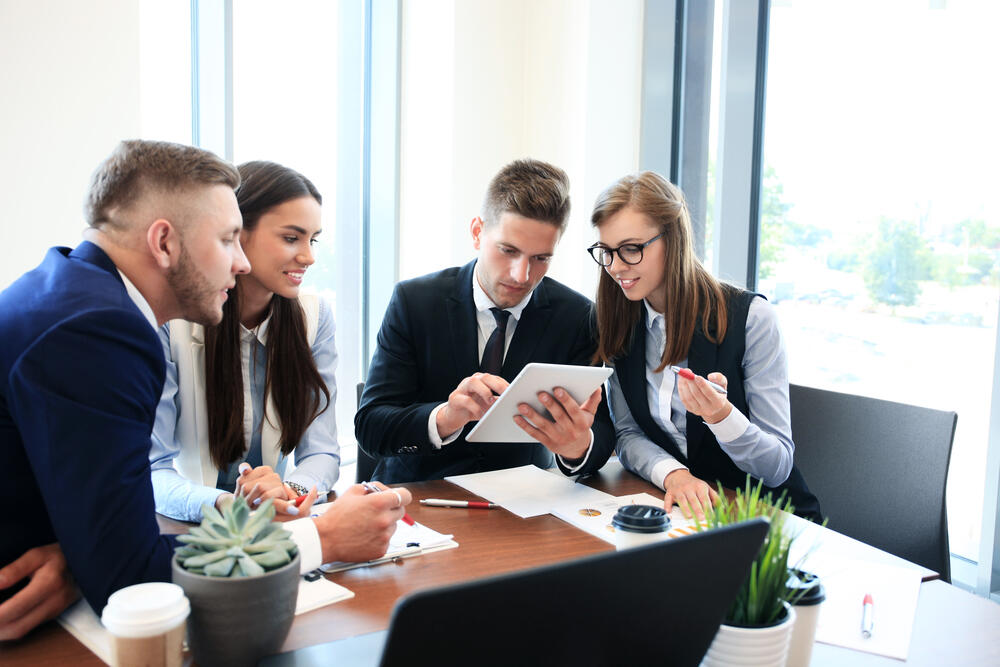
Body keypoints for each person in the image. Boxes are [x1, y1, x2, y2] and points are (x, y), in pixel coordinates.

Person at [0, 140, 410, 639]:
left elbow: (101, 534)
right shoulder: (103, 331)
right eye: (228, 239)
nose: (239, 264)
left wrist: (81, 558)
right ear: (165, 243)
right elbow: (130, 578)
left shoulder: (70, 290)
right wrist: (321, 535)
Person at [356, 158, 615, 483]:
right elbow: (371, 427)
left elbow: (603, 430)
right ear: (478, 233)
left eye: (541, 258)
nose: (522, 275)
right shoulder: (415, 302)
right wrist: (446, 418)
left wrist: (577, 446)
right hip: (418, 496)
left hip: (524, 503)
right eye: (508, 250)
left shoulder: (579, 317)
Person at [587, 171, 820, 520]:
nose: (616, 266)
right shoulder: (619, 319)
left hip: (766, 519)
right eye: (606, 252)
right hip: (687, 513)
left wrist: (722, 418)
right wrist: (673, 474)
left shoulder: (751, 319)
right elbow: (627, 431)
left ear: (673, 239)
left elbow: (777, 466)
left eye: (631, 249)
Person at [150, 161, 339, 522]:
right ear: (236, 233)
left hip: (276, 522)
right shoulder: (170, 320)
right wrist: (225, 504)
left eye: (312, 240)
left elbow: (322, 453)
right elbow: (154, 469)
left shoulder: (314, 317)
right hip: (187, 528)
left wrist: (290, 492)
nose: (309, 257)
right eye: (291, 238)